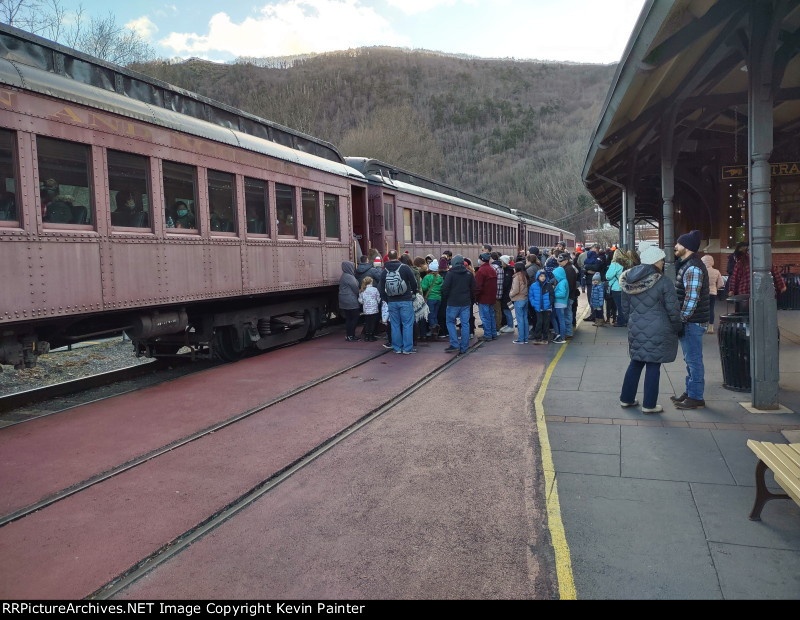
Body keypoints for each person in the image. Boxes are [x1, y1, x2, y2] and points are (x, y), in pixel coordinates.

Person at [618, 244, 682, 414]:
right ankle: (649, 404)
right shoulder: (663, 282)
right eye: (661, 260)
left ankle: (626, 399)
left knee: (636, 362)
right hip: (658, 328)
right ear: (655, 261)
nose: (662, 263)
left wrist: (632, 320)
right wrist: (678, 327)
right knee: (653, 365)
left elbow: (625, 308)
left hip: (635, 326)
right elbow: (673, 309)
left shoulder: (627, 279)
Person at [672, 230, 710, 410]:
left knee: (693, 360)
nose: (675, 246)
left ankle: (696, 397)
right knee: (690, 359)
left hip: (692, 322)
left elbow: (691, 299)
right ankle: (691, 392)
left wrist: (681, 319)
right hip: (692, 321)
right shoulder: (688, 265)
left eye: (678, 244)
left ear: (686, 247)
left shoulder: (693, 268)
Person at [379, 249, 418, 354]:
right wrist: (414, 293)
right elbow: (414, 283)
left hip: (392, 301)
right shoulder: (405, 268)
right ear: (398, 256)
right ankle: (407, 348)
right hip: (405, 300)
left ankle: (397, 348)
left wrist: (387, 300)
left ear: (388, 257)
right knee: (407, 324)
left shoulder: (384, 270)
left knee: (395, 325)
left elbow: (381, 289)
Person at [441, 254, 476, 355]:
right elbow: (473, 288)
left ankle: (454, 344)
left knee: (450, 322)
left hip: (453, 303)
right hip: (465, 303)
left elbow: (445, 288)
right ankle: (464, 346)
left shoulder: (450, 274)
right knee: (465, 324)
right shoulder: (469, 274)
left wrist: (447, 298)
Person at [475, 252, 498, 341]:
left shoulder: (481, 271)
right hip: (491, 297)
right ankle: (493, 333)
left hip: (483, 298)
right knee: (491, 315)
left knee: (485, 317)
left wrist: (475, 296)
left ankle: (488, 334)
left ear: (482, 260)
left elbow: (478, 286)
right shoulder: (492, 269)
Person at [700, 254, 725, 334]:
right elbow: (721, 283)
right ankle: (710, 327)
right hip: (713, 293)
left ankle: (702, 325)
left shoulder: (701, 271)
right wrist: (715, 288)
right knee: (711, 309)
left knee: (703, 309)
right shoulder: (716, 271)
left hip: (703, 293)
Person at [529, 269, 554, 344]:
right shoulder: (533, 286)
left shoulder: (548, 285)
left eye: (544, 276)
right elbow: (531, 296)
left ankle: (545, 338)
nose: (543, 277)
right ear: (538, 277)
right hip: (538, 308)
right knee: (539, 322)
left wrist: (550, 303)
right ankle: (537, 337)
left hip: (547, 308)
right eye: (541, 276)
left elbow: (552, 295)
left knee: (546, 323)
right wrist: (534, 303)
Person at [338, 261, 361, 342]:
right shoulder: (349, 277)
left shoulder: (343, 276)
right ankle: (351, 335)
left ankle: (349, 335)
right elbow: (355, 288)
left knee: (348, 319)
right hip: (351, 300)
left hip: (344, 300)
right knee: (354, 318)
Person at [421, 259, 444, 339]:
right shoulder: (440, 278)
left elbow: (423, 288)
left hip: (430, 298)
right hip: (438, 298)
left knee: (430, 315)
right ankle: (436, 331)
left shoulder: (427, 277)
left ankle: (433, 331)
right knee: (435, 315)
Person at [605, 249, 628, 327]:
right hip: (624, 287)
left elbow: (608, 276)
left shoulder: (615, 264)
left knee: (619, 305)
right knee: (624, 305)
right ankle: (625, 320)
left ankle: (621, 321)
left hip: (617, 287)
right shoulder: (626, 263)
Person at [509, 262, 530, 344]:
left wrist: (510, 294)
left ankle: (521, 339)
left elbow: (515, 290)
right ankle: (525, 338)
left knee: (519, 320)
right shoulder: (525, 275)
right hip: (525, 299)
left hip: (518, 300)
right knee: (525, 319)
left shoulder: (517, 277)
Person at [550, 262, 569, 344]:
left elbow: (562, 294)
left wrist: (553, 293)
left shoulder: (562, 283)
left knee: (561, 320)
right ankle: (558, 334)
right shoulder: (564, 281)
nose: (555, 277)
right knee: (553, 317)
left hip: (559, 303)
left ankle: (561, 337)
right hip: (561, 303)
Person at [358, 276, 381, 342]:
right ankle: (371, 336)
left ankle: (366, 336)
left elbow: (360, 300)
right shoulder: (375, 289)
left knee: (367, 322)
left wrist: (364, 303)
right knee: (372, 322)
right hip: (374, 309)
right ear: (371, 282)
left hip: (366, 309)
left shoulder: (362, 290)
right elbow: (378, 299)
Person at [499, 255, 515, 333]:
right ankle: (509, 324)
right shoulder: (508, 270)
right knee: (507, 309)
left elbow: (506, 283)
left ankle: (510, 325)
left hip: (507, 294)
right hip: (508, 293)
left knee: (506, 309)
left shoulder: (507, 271)